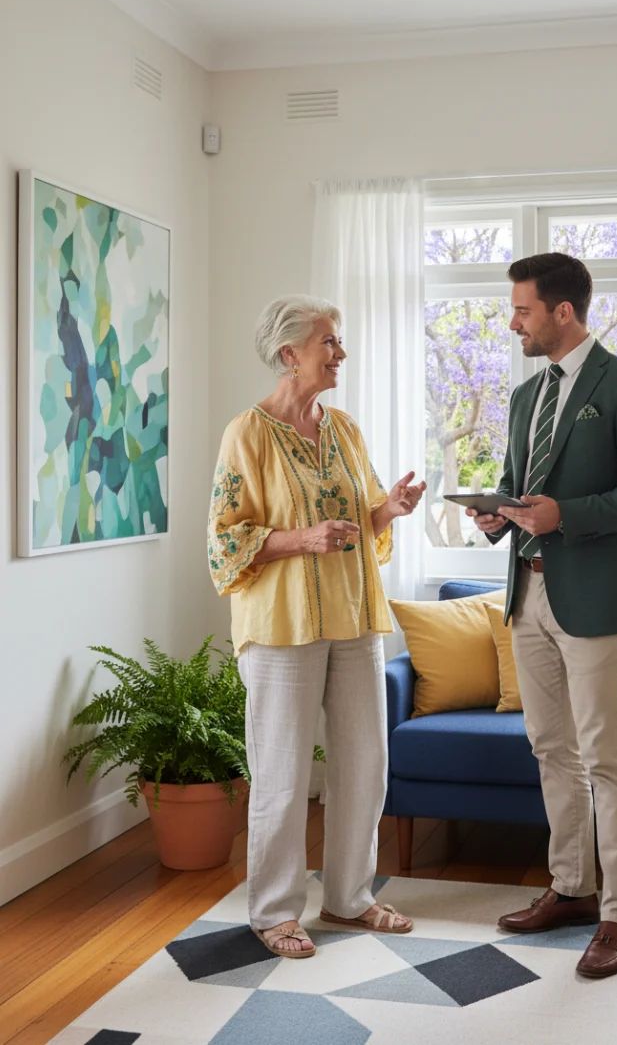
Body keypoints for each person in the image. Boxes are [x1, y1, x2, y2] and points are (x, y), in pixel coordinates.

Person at [468, 253, 617, 978]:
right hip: (528, 594)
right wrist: (499, 511)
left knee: (608, 760)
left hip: (597, 599)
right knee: (551, 749)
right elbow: (520, 485)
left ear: (562, 312)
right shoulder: (527, 397)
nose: (513, 322)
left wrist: (566, 517)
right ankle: (572, 889)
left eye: (522, 309)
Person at [208, 295, 426, 959]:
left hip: (355, 614)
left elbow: (361, 519)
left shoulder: (345, 429)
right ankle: (274, 911)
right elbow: (224, 542)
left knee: (365, 762)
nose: (341, 352)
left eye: (340, 340)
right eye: (329, 341)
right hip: (281, 626)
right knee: (280, 771)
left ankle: (350, 898)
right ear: (289, 354)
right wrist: (300, 538)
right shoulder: (246, 432)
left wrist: (387, 508)